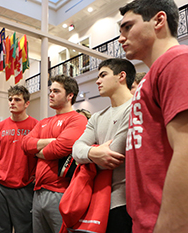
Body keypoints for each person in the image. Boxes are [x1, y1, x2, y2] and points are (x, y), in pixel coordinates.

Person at [119, 1, 188, 232]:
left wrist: (168, 227)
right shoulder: (151, 76)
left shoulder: (177, 60)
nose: (121, 38)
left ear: (158, 20)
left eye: (128, 27)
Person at [72, 58, 136, 232]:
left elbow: (112, 155)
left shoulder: (135, 108)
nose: (97, 81)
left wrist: (88, 154)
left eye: (103, 75)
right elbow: (76, 149)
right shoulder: (97, 116)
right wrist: (93, 153)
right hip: (98, 198)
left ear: (121, 76)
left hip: (124, 202)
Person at [21, 74, 87, 233]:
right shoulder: (44, 122)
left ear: (70, 95)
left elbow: (60, 148)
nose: (50, 94)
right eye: (51, 90)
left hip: (61, 192)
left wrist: (37, 150)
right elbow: (24, 144)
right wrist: (51, 141)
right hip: (38, 192)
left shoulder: (77, 120)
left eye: (56, 91)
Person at [0, 85, 38, 233]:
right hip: (0, 186)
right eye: (10, 99)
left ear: (27, 103)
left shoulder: (37, 126)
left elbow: (43, 154)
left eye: (17, 99)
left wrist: (38, 174)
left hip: (25, 187)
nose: (12, 102)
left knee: (25, 229)